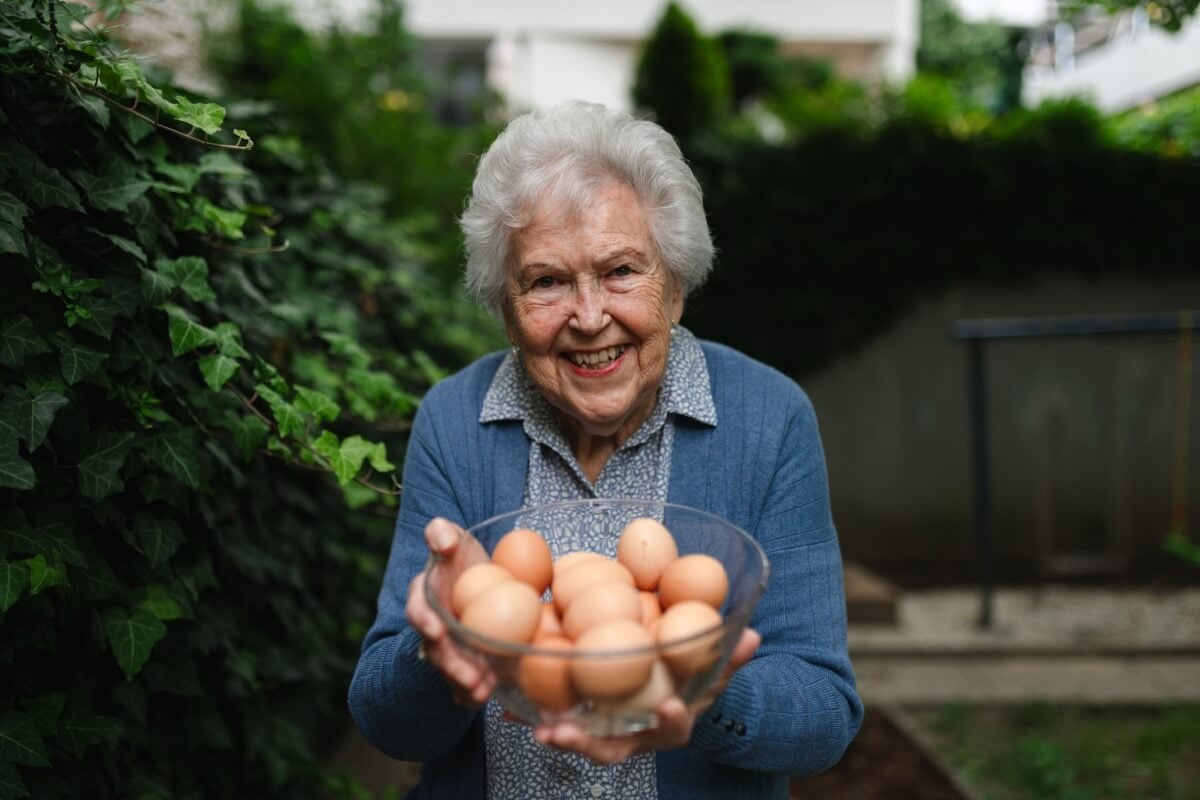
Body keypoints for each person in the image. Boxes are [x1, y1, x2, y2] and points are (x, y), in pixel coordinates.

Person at [348, 100, 862, 799]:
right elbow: (386, 722)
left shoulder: (767, 419)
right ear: (505, 305)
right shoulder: (454, 420)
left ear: (675, 286)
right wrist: (442, 644)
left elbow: (825, 714)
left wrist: (703, 695)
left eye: (621, 270)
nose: (590, 319)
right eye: (548, 281)